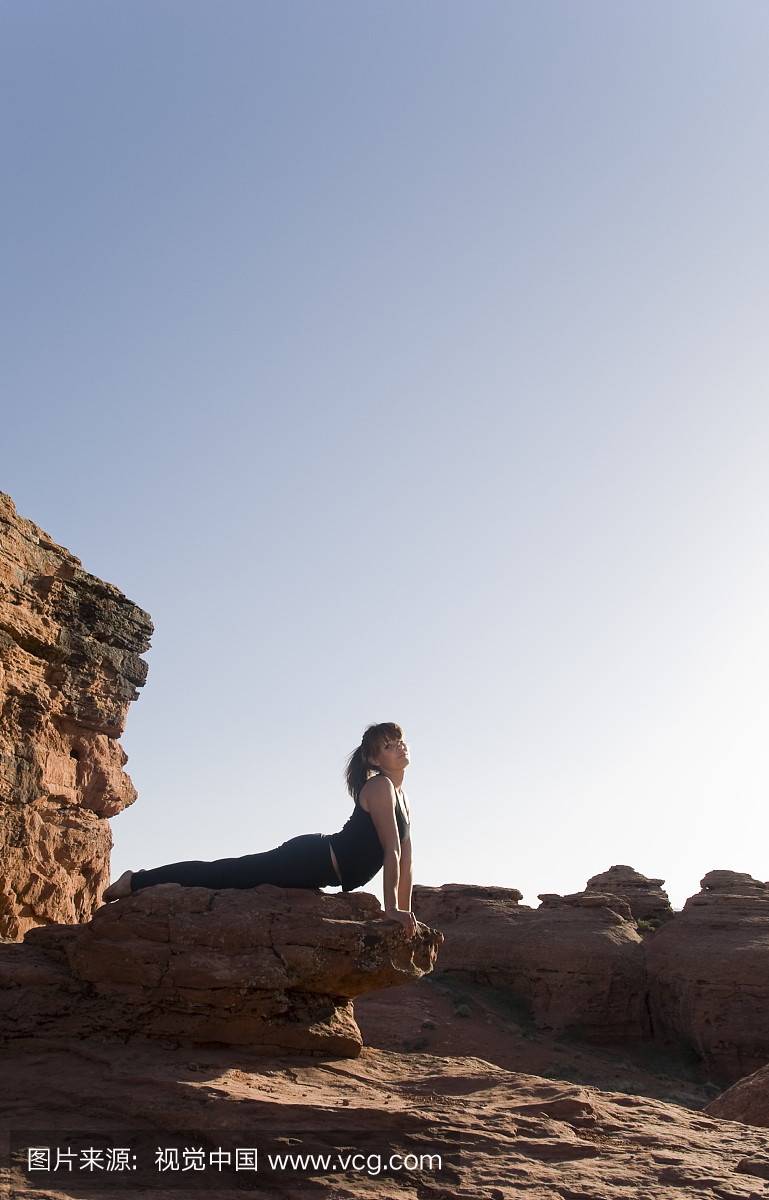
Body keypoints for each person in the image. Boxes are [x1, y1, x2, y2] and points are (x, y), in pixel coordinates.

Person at [102, 722, 417, 938]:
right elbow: (391, 850)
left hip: (317, 869)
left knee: (225, 874)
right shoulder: (380, 786)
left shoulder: (401, 798)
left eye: (399, 741)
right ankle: (136, 881)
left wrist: (406, 914)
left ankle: (140, 879)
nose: (399, 747)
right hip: (308, 859)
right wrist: (391, 909)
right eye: (389, 745)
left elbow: (407, 861)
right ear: (374, 759)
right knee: (222, 875)